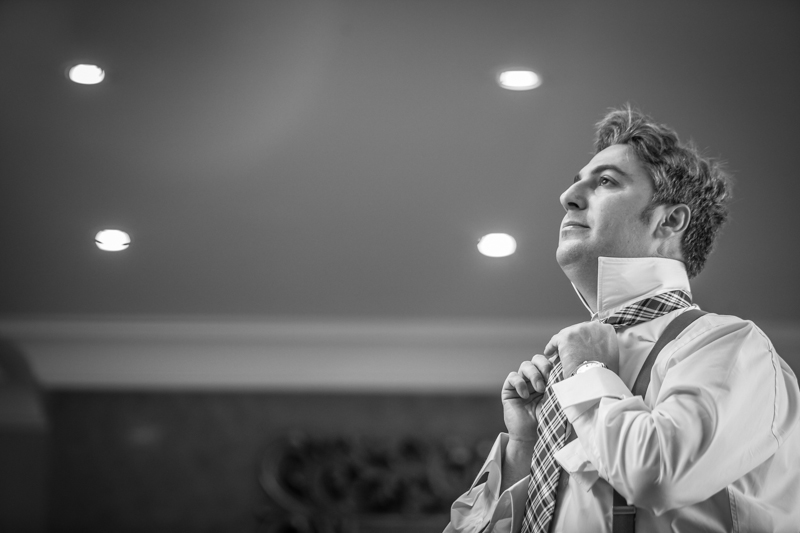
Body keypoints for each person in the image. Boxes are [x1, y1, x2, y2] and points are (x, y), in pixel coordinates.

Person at [445, 106, 800, 532]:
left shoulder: (733, 346)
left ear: (670, 220)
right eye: (577, 181)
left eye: (606, 182)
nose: (568, 196)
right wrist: (525, 447)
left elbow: (658, 476)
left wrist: (589, 371)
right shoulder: (563, 381)